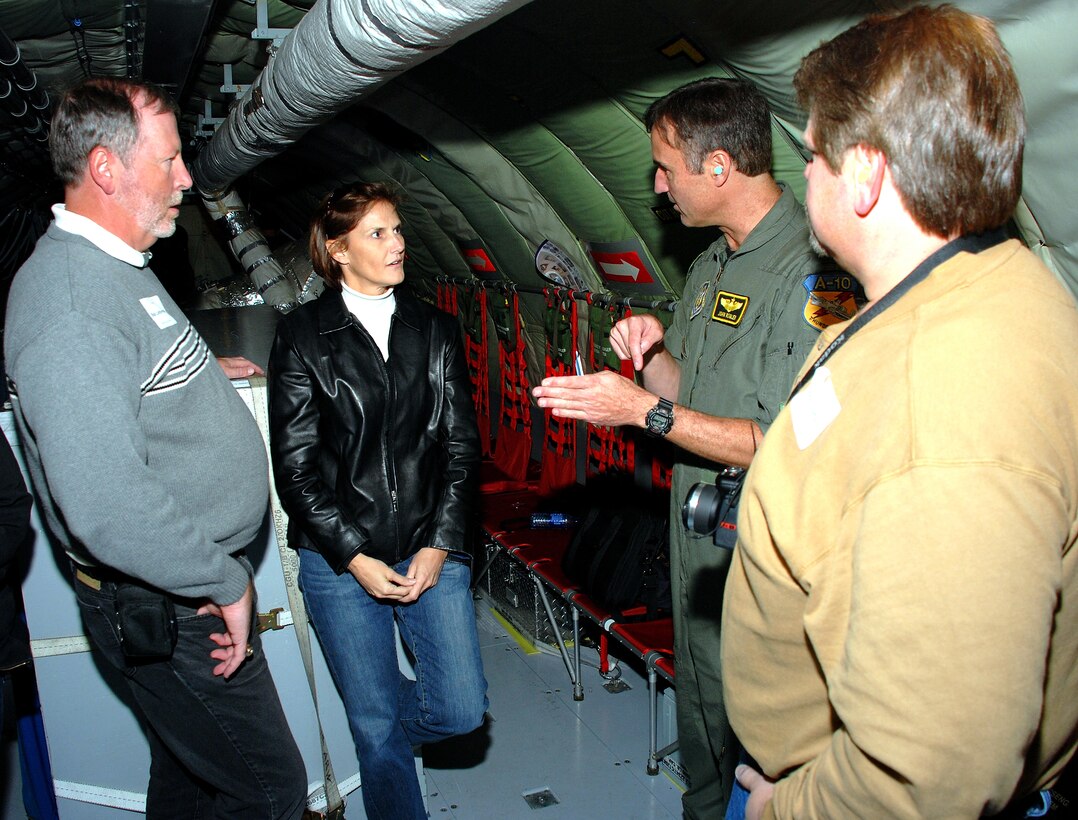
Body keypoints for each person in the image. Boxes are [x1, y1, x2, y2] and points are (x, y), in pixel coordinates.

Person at [722, 6, 1078, 818]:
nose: (802, 174)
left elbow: (932, 772)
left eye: (812, 155)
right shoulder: (973, 290)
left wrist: (788, 808)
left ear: (866, 175)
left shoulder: (947, 404)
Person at [533, 78, 850, 818]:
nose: (655, 185)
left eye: (665, 167)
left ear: (717, 168)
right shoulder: (710, 266)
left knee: (761, 750)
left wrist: (643, 411)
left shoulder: (819, 277)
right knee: (703, 734)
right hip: (696, 545)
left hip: (765, 563)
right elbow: (689, 396)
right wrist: (648, 362)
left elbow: (783, 443)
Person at [3, 77, 306, 817]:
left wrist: (197, 366)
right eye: (169, 161)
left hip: (181, 591)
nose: (186, 178)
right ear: (107, 169)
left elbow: (130, 368)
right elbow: (105, 503)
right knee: (269, 793)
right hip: (171, 605)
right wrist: (223, 581)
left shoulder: (112, 267)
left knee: (192, 777)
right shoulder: (70, 307)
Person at [268, 181, 488, 820]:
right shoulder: (304, 336)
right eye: (378, 234)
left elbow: (460, 449)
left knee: (458, 709)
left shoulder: (435, 329)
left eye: (398, 230)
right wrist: (354, 555)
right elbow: (297, 470)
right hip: (340, 560)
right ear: (337, 250)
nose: (398, 245)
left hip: (428, 544)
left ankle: (383, 726)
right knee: (373, 729)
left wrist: (440, 542)